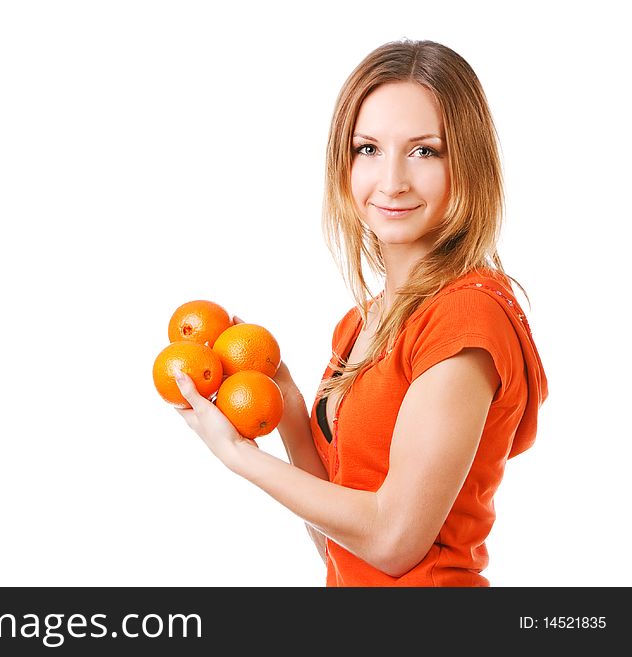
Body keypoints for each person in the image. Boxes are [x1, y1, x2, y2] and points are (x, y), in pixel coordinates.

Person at [172, 39, 549, 586]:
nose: (391, 180)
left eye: (425, 151)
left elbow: (393, 542)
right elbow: (337, 545)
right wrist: (290, 407)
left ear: (467, 163)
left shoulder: (466, 318)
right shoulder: (359, 325)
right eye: (367, 149)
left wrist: (238, 456)